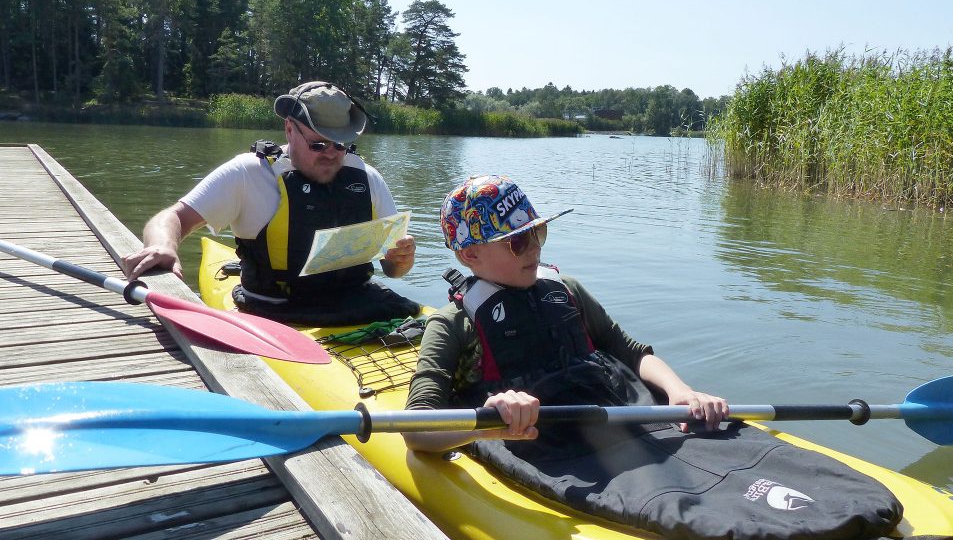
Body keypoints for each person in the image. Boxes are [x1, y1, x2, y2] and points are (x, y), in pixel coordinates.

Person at [403, 175, 902, 540]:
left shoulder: (567, 291)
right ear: (469, 256)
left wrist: (680, 391)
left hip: (629, 411)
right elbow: (416, 430)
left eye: (538, 233)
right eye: (516, 240)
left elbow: (631, 351)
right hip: (556, 441)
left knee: (726, 451)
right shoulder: (454, 327)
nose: (532, 246)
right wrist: (490, 424)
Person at [122, 81, 420, 325]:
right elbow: (172, 218)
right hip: (274, 313)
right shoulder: (247, 173)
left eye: (340, 144)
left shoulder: (368, 178)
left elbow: (392, 271)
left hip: (358, 305)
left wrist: (400, 261)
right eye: (318, 144)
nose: (331, 154)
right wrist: (163, 245)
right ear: (290, 129)